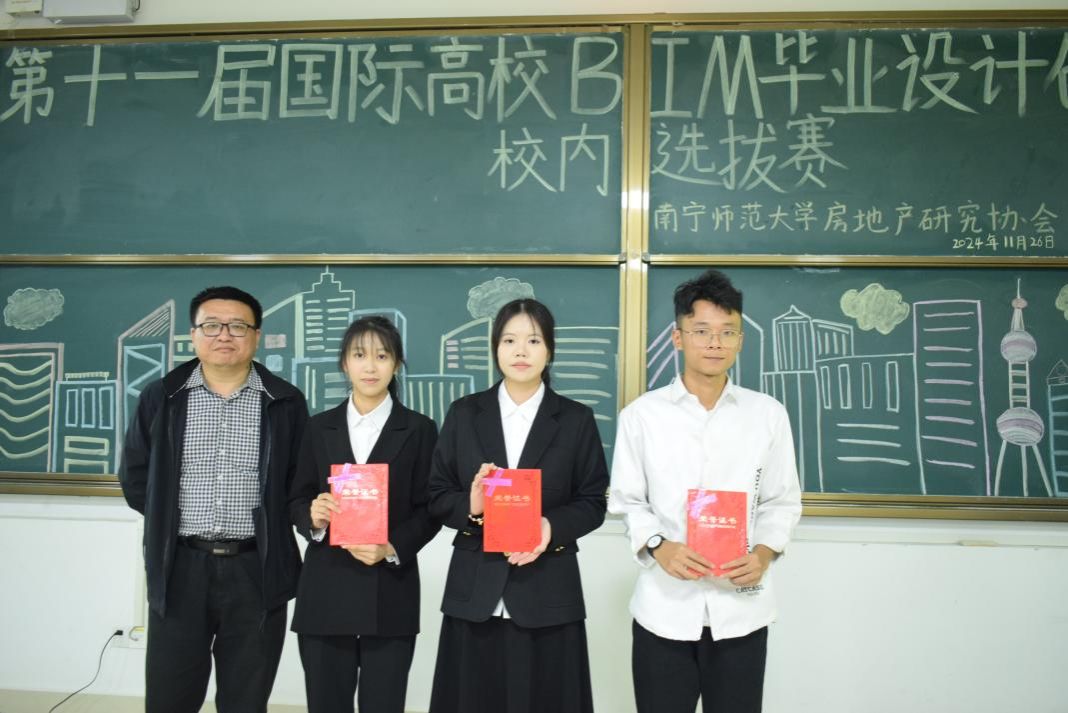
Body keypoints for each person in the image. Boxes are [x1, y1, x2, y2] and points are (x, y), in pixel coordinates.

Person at [608, 269, 802, 713]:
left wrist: (763, 555)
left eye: (727, 332)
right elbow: (627, 501)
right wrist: (659, 546)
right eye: (701, 331)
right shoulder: (642, 416)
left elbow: (781, 501)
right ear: (678, 338)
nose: (715, 343)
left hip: (741, 611)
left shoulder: (767, 415)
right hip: (664, 610)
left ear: (740, 341)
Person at [119, 285, 309, 713]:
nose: (224, 334)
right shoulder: (162, 396)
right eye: (211, 325)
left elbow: (300, 482)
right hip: (180, 565)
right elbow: (135, 475)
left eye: (238, 326)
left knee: (247, 696)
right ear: (193, 334)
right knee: (170, 694)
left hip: (257, 567)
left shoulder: (285, 401)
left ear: (256, 335)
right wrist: (167, 520)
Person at [427, 298, 608, 713]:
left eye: (533, 340)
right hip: (475, 590)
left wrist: (549, 528)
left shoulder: (575, 419)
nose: (521, 351)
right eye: (509, 340)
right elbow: (436, 494)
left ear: (550, 350)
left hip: (548, 589)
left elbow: (592, 500)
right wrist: (472, 505)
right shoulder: (464, 413)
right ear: (495, 348)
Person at [288, 315, 440, 713]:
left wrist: (392, 547)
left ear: (396, 364)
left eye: (382, 356)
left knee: (384, 703)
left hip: (390, 588)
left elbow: (431, 507)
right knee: (326, 703)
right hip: (326, 588)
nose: (370, 366)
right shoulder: (318, 428)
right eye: (359, 355)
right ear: (344, 363)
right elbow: (297, 497)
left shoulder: (420, 429)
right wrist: (312, 516)